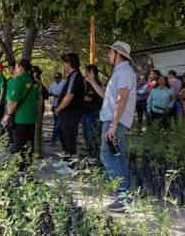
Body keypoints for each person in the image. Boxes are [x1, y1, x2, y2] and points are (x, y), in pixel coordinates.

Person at [87, 41, 136, 212]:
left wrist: (114, 125)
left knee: (106, 155)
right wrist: (93, 82)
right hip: (114, 120)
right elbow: (107, 97)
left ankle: (124, 197)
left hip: (115, 121)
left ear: (117, 53)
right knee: (117, 157)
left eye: (110, 52)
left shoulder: (124, 72)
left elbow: (122, 99)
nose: (108, 55)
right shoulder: (120, 72)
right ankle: (125, 196)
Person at [2, 59, 39, 172]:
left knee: (19, 145)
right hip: (31, 118)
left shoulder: (19, 80)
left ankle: (20, 169)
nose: (15, 69)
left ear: (21, 68)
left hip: (20, 118)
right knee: (29, 144)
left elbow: (14, 101)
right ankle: (27, 167)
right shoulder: (34, 81)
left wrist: (7, 115)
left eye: (17, 67)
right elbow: (38, 100)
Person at [54, 53, 84, 159]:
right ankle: (67, 159)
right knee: (63, 135)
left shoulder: (75, 75)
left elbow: (69, 95)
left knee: (69, 137)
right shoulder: (72, 76)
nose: (64, 66)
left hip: (70, 113)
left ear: (69, 64)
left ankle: (71, 163)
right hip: (67, 113)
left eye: (65, 63)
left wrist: (59, 108)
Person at [83, 65, 103, 158]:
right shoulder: (86, 83)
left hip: (93, 112)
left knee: (91, 133)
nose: (85, 73)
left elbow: (88, 98)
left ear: (93, 73)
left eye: (87, 71)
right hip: (87, 112)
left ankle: (94, 153)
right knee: (87, 133)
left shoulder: (96, 83)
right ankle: (91, 151)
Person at [33, 66, 48, 157]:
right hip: (34, 109)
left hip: (38, 109)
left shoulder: (38, 83)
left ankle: (38, 151)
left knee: (37, 130)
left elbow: (41, 98)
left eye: (34, 71)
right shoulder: (34, 82)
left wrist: (38, 109)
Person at [48, 73, 66, 146]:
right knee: (56, 123)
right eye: (55, 78)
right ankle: (58, 139)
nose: (56, 79)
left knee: (59, 124)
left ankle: (54, 139)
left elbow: (66, 93)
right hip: (54, 105)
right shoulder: (52, 85)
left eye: (58, 77)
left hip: (62, 105)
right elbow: (49, 93)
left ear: (61, 77)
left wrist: (60, 95)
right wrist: (52, 94)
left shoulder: (64, 83)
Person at [5, 64, 16, 146]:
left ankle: (14, 141)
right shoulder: (9, 81)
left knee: (13, 124)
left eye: (11, 68)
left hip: (14, 105)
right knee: (8, 124)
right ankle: (10, 140)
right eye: (9, 69)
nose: (10, 70)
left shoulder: (17, 80)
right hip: (8, 104)